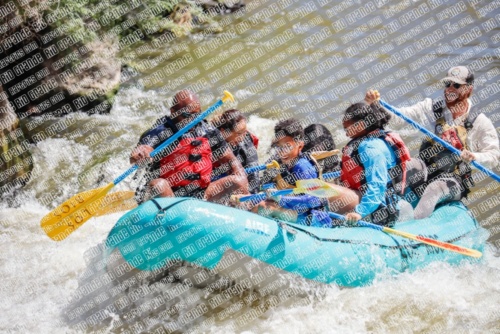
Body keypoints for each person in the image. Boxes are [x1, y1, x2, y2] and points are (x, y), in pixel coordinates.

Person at [365, 66, 500, 219]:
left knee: (434, 188)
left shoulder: (480, 121)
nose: (450, 89)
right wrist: (377, 104)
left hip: (455, 180)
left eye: (456, 85)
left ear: (469, 89)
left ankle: (412, 230)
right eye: (447, 84)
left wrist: (474, 157)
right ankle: (372, 210)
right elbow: (400, 117)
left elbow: (494, 155)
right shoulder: (431, 107)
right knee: (406, 166)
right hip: (426, 168)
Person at [130, 90, 248, 204]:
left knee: (237, 181)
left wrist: (243, 187)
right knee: (159, 185)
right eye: (187, 115)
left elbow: (232, 162)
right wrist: (140, 154)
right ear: (173, 112)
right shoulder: (161, 131)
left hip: (201, 196)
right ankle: (169, 218)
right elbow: (145, 148)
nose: (194, 120)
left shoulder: (208, 131)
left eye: (197, 114)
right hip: (168, 195)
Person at [325, 102, 412, 226]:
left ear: (360, 125)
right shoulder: (375, 139)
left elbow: (378, 184)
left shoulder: (370, 148)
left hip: (380, 209)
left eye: (347, 128)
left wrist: (359, 212)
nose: (346, 133)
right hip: (380, 201)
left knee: (321, 190)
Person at [250, 118, 332, 226]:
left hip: (316, 220)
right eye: (279, 147)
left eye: (287, 146)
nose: (282, 151)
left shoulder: (302, 166)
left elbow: (314, 200)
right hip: (298, 213)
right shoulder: (281, 164)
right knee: (255, 204)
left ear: (300, 145)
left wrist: (281, 199)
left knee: (264, 207)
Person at [211, 109, 260, 194]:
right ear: (223, 132)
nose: (242, 138)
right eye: (238, 134)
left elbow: (254, 176)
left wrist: (250, 196)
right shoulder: (211, 139)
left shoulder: (245, 143)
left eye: (244, 132)